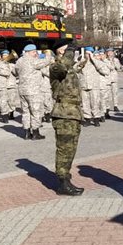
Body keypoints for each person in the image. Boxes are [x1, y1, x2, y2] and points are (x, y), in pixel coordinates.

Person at [49, 41, 85, 196]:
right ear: (58, 52)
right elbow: (63, 67)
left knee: (71, 149)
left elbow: (71, 68)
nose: (69, 52)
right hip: (63, 113)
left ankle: (66, 177)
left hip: (73, 113)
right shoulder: (55, 67)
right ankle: (62, 182)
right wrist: (70, 51)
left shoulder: (69, 68)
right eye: (65, 50)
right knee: (64, 150)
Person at [16, 44, 51, 139]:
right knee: (36, 111)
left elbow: (16, 72)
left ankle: (27, 133)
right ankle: (35, 132)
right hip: (33, 90)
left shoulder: (19, 61)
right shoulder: (32, 60)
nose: (36, 54)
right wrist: (48, 54)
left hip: (22, 90)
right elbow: (46, 62)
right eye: (35, 52)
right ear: (31, 52)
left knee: (26, 111)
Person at [79, 47, 101, 127]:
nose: (87, 55)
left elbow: (103, 69)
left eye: (89, 53)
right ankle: (87, 119)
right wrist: (80, 63)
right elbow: (75, 70)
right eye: (86, 53)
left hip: (94, 86)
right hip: (84, 86)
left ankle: (96, 119)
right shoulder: (82, 62)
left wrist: (93, 59)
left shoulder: (96, 62)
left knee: (95, 103)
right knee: (85, 104)